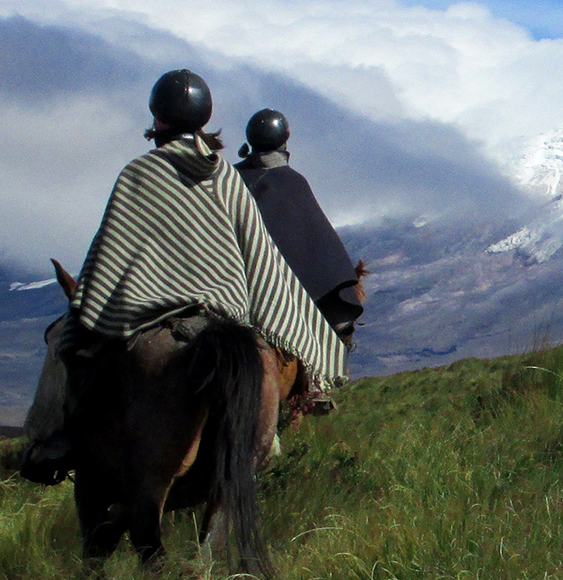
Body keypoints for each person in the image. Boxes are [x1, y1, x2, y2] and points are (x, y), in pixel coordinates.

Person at [19, 71, 347, 485]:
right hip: (224, 305)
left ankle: (56, 440)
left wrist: (92, 298)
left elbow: (110, 251)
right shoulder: (226, 176)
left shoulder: (138, 174)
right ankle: (268, 435)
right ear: (205, 119)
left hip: (146, 304)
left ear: (158, 119)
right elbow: (260, 256)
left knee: (67, 339)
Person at [236, 108, 365, 345]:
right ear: (284, 141)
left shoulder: (230, 178)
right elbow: (321, 252)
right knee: (338, 326)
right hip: (280, 301)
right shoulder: (292, 182)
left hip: (235, 293)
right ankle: (325, 377)